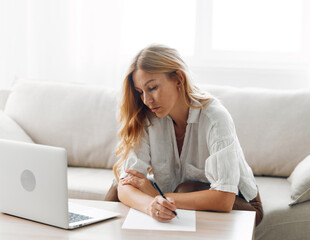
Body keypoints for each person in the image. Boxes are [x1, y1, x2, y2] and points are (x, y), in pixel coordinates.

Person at [105, 44, 263, 225]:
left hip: (243, 203)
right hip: (176, 195)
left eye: (153, 88)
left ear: (179, 79)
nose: (147, 100)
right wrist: (151, 204)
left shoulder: (214, 118)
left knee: (185, 189)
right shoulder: (148, 117)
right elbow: (126, 186)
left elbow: (225, 199)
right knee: (118, 185)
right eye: (140, 92)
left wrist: (157, 196)